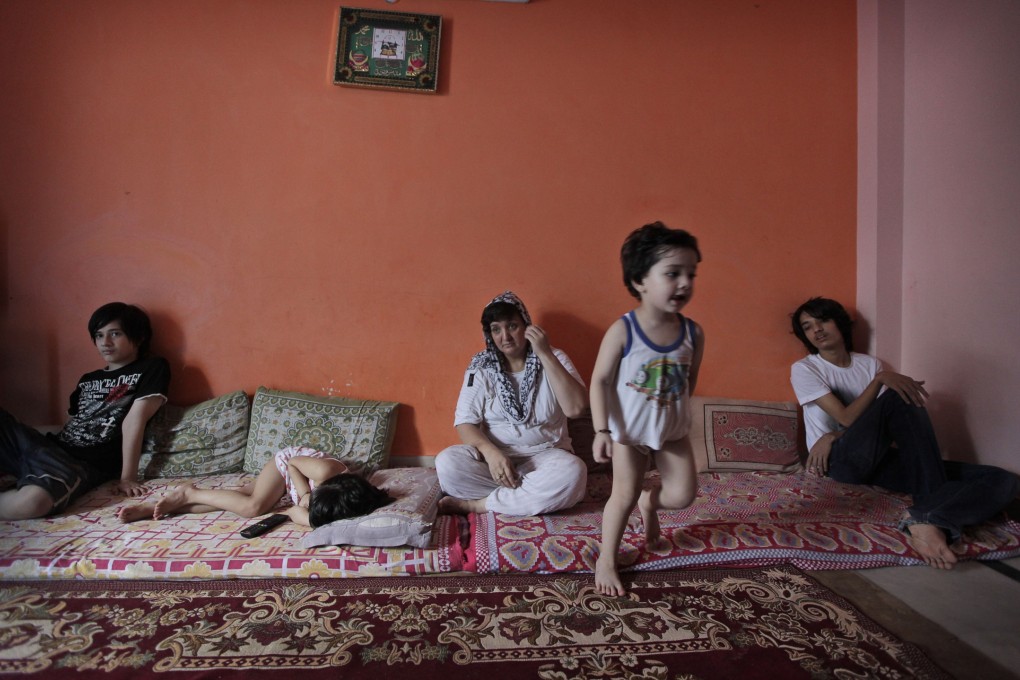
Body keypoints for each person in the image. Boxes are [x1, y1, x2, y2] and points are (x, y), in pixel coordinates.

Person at [790, 297, 1019, 570]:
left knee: (1002, 479)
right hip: (836, 462)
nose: (816, 329)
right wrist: (879, 382)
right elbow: (846, 418)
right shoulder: (805, 369)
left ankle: (926, 518)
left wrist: (834, 434)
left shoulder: (870, 364)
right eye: (807, 326)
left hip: (878, 458)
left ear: (839, 322)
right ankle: (931, 512)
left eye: (823, 320)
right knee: (897, 397)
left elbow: (883, 426)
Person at [590, 222, 705, 596]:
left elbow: (689, 382)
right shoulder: (624, 330)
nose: (684, 283)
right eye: (672, 274)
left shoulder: (693, 334)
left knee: (683, 495)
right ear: (640, 280)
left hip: (671, 432)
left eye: (691, 274)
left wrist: (674, 416)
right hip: (629, 433)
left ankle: (649, 502)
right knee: (622, 496)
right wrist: (602, 430)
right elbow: (600, 381)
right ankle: (607, 560)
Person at [1, 302, 170, 520]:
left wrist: (127, 477)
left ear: (139, 337)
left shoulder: (152, 368)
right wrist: (22, 430)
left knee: (32, 504)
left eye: (115, 334)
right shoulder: (88, 379)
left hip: (79, 463)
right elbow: (70, 426)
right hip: (44, 446)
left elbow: (134, 420)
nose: (105, 342)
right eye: (99, 335)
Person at [435, 291, 589, 517]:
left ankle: (479, 505)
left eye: (512, 326)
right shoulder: (481, 366)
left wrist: (544, 354)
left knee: (573, 473)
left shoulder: (554, 357)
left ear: (526, 326)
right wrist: (491, 454)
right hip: (496, 462)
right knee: (447, 464)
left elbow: (576, 409)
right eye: (496, 329)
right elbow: (465, 423)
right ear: (489, 334)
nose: (505, 336)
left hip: (547, 457)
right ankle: (525, 497)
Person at [118, 445, 392, 527]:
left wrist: (302, 510)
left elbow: (298, 515)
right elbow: (293, 464)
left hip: (302, 487)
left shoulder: (341, 505)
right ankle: (190, 492)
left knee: (235, 499)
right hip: (290, 465)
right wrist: (305, 493)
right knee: (252, 507)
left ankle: (164, 507)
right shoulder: (324, 471)